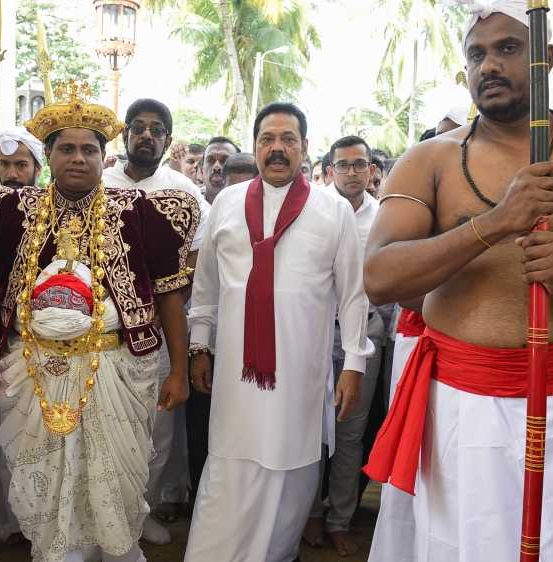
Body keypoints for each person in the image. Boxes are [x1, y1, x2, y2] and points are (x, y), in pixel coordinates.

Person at [364, 2, 553, 561]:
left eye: (507, 48)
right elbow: (379, 278)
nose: (489, 66)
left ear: (545, 59)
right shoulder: (427, 161)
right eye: (476, 54)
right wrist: (496, 221)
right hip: (456, 406)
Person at [0, 81, 199, 562]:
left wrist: (179, 371)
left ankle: (118, 553)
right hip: (32, 368)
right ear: (50, 156)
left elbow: (169, 300)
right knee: (46, 475)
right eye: (65, 149)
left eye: (88, 150)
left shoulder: (144, 212)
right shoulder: (12, 211)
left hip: (115, 367)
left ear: (106, 157)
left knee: (111, 477)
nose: (77, 158)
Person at [185, 102, 372, 562]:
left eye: (289, 139)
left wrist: (353, 365)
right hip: (234, 378)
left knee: (291, 477)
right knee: (226, 474)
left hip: (299, 379)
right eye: (268, 139)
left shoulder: (332, 210)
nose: (277, 149)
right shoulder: (225, 205)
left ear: (305, 148)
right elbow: (206, 285)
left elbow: (353, 295)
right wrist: (198, 347)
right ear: (254, 145)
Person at [102, 97, 211, 545]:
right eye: (139, 127)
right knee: (103, 421)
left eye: (157, 129)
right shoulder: (98, 181)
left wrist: (154, 300)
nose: (147, 135)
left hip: (163, 326)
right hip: (102, 328)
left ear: (168, 140)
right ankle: (98, 520)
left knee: (156, 426)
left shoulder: (185, 192)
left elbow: (196, 258)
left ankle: (137, 516)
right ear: (125, 135)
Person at [301, 136, 384, 557]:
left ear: (371, 170)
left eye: (360, 164)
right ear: (329, 170)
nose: (352, 172)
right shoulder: (311, 209)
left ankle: (340, 520)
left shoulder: (386, 216)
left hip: (365, 335)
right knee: (312, 429)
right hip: (313, 335)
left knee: (351, 433)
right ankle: (310, 512)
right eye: (343, 165)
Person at [0, 126, 46, 547]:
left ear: (38, 169)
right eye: (4, 164)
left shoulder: (52, 213)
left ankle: (31, 527)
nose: (11, 173)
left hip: (38, 346)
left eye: (21, 164)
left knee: (30, 440)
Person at [202, 136, 240, 204]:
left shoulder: (247, 202)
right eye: (210, 160)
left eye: (225, 161)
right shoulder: (189, 200)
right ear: (202, 170)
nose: (216, 167)